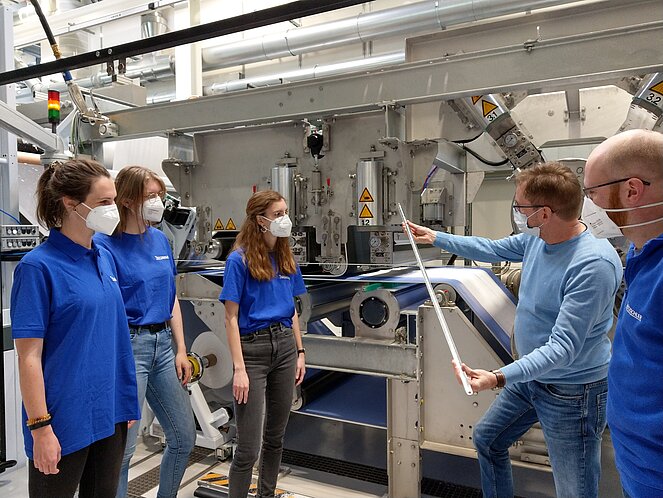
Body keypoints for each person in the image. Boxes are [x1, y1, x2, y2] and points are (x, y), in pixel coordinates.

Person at [405, 162, 622, 498]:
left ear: (545, 213)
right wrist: (436, 237)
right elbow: (492, 248)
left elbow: (561, 348)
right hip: (532, 378)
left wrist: (498, 377)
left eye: (521, 207)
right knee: (488, 439)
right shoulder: (538, 240)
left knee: (575, 489)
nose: (517, 213)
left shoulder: (593, 264)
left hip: (572, 391)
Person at [10, 159, 140, 498]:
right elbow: (28, 357)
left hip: (109, 413)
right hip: (63, 419)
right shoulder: (38, 268)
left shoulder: (104, 257)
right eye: (105, 202)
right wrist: (40, 428)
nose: (114, 209)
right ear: (71, 204)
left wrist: (124, 401)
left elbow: (114, 335)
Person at [94, 166, 195, 498]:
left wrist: (181, 348)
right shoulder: (105, 244)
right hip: (129, 347)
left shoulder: (161, 239)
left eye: (160, 196)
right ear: (126, 199)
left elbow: (172, 297)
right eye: (149, 196)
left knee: (183, 437)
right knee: (122, 452)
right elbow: (106, 305)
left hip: (164, 346)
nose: (157, 202)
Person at [582, 129, 663, 498]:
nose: (589, 208)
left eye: (592, 194)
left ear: (631, 190)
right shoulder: (641, 253)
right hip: (638, 463)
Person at [220, 190, 307, 498]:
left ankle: (266, 494)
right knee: (247, 447)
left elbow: (292, 309)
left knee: (275, 438)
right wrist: (239, 369)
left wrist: (300, 352)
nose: (285, 219)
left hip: (284, 347)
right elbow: (230, 318)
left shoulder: (285, 256)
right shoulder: (238, 260)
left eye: (285, 212)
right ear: (260, 221)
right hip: (252, 352)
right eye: (278, 214)